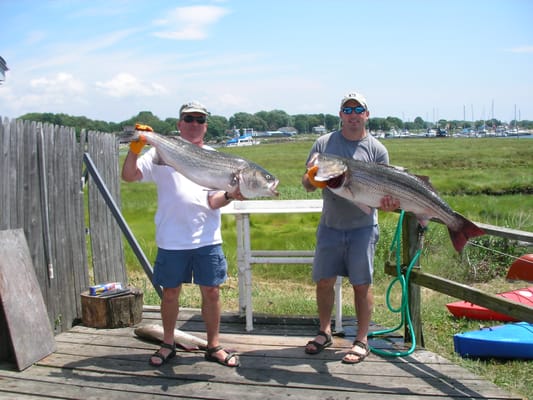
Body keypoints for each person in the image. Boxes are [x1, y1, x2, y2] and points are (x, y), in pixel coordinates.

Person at [122, 101, 242, 368]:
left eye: (200, 120)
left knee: (211, 292)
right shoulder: (160, 152)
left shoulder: (216, 157)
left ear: (206, 126)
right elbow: (129, 176)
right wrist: (135, 148)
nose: (194, 124)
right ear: (179, 124)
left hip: (207, 238)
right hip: (171, 237)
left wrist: (231, 195)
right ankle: (168, 343)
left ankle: (213, 345)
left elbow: (214, 200)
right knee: (170, 293)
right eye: (189, 119)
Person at [301, 92, 400, 364]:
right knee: (324, 281)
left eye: (359, 109)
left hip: (363, 228)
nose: (353, 114)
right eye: (348, 109)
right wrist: (314, 177)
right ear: (341, 114)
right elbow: (306, 184)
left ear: (367, 115)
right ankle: (324, 332)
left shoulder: (376, 149)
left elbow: (385, 192)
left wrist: (389, 203)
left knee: (361, 283)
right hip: (330, 224)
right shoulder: (324, 143)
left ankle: (362, 339)